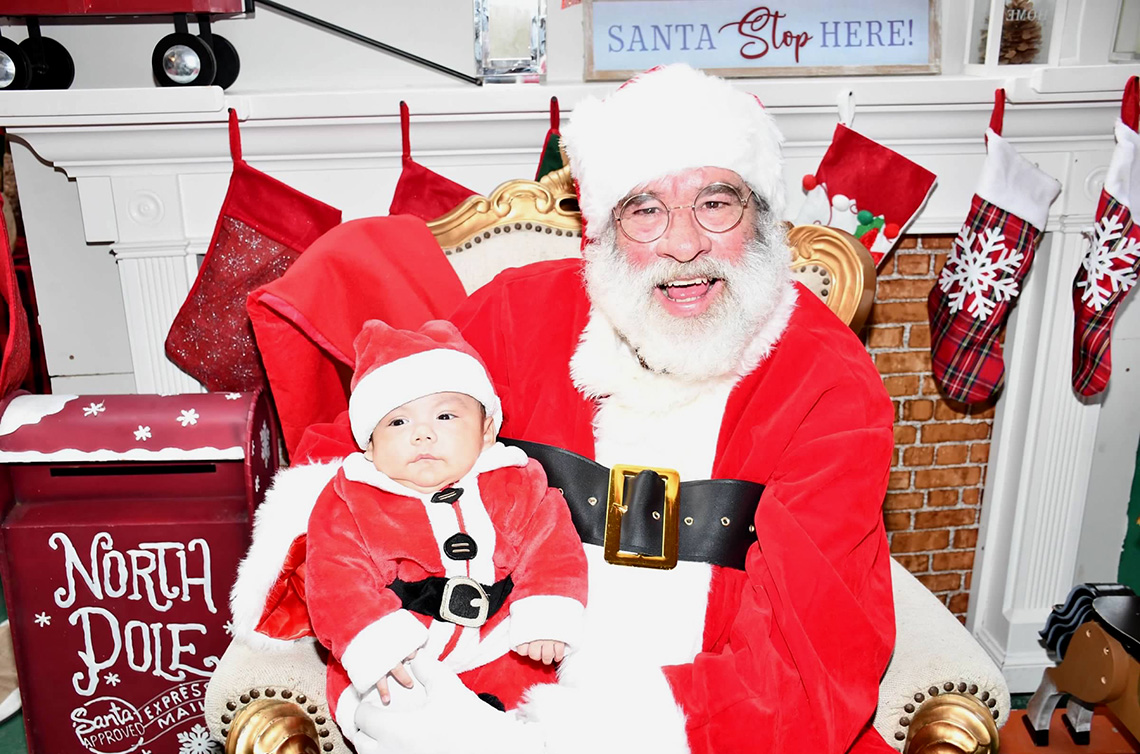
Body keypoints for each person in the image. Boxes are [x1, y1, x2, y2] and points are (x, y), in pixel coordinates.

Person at [230, 63, 896, 754]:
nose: (683, 242)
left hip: (702, 724)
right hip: (487, 693)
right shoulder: (518, 316)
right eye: (644, 210)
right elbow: (358, 473)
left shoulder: (827, 378)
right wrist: (403, 668)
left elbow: (812, 655)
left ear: (760, 216)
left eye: (716, 203)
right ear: (603, 232)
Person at [305, 319, 587, 724]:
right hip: (404, 660)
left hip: (500, 644)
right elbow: (334, 579)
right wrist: (376, 643)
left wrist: (545, 613)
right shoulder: (352, 500)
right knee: (390, 721)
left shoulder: (515, 482)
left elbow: (552, 547)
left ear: (486, 430)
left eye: (446, 417)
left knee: (536, 713)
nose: (422, 435)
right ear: (369, 445)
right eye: (398, 422)